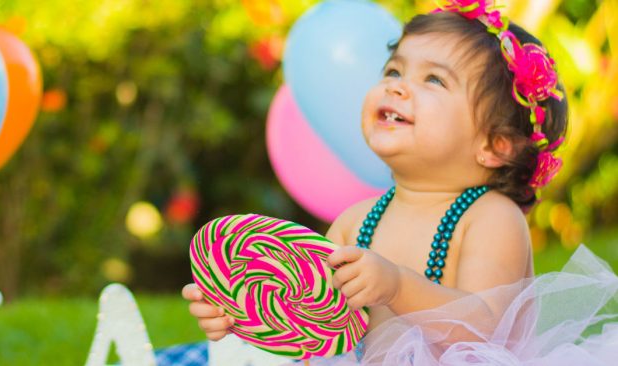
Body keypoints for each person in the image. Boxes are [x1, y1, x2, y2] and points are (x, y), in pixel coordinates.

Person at [183, 1, 618, 364]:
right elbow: (314, 328)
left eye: (432, 79)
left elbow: (487, 332)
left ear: (495, 146)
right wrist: (239, 315)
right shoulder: (356, 223)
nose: (398, 88)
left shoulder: (489, 218)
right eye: (393, 72)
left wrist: (397, 285)